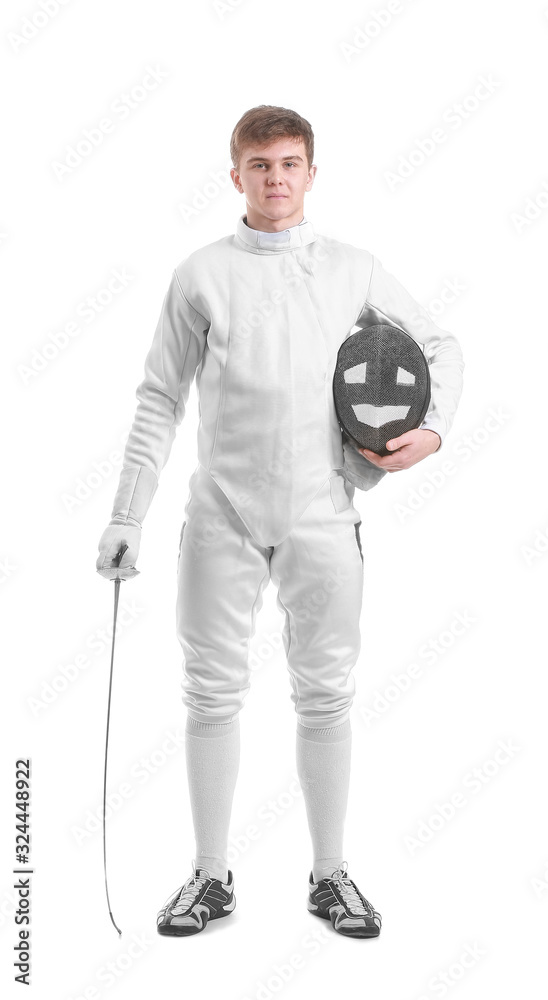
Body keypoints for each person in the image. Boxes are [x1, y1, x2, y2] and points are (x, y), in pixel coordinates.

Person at [96, 105, 464, 939]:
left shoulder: (353, 268)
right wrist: (128, 515)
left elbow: (440, 345)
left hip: (323, 509)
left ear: (311, 173)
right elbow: (160, 397)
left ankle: (330, 876)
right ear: (236, 177)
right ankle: (210, 875)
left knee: (327, 695)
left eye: (290, 163)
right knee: (211, 692)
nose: (276, 178)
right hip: (221, 511)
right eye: (260, 165)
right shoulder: (200, 275)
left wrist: (432, 429)